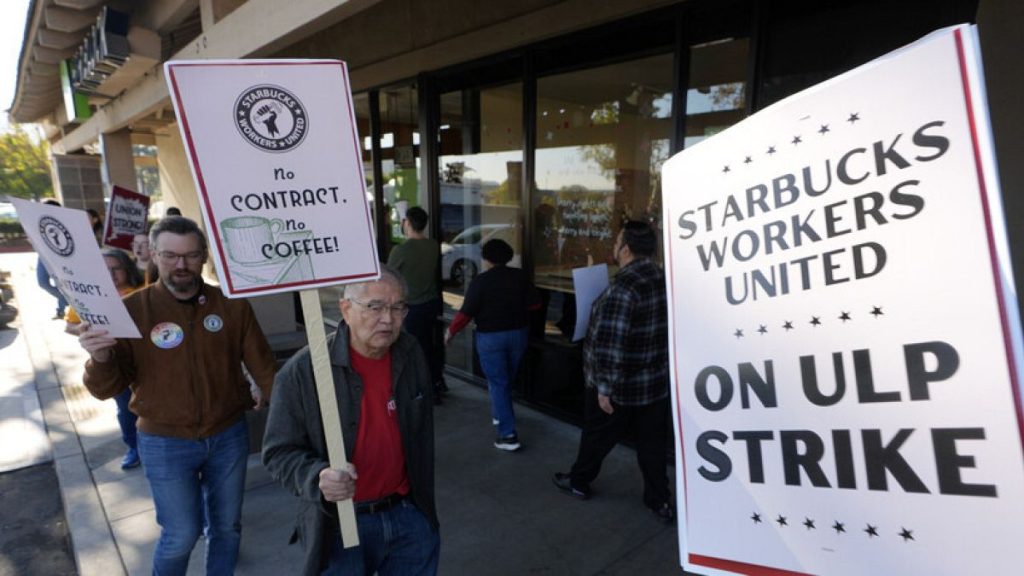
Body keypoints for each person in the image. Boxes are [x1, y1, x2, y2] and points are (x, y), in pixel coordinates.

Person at [77, 216, 277, 574]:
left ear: (204, 257)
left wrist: (296, 417)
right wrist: (100, 356)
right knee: (180, 535)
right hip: (164, 441)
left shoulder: (231, 307)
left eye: (190, 255)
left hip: (227, 433)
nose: (181, 265)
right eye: (170, 255)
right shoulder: (130, 311)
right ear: (153, 254)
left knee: (227, 528)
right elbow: (104, 388)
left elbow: (265, 369)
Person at [262, 266, 439, 576]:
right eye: (375, 307)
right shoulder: (302, 372)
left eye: (398, 307)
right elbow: (278, 453)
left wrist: (422, 512)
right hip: (340, 525)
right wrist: (318, 476)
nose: (388, 318)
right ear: (345, 309)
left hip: (408, 514)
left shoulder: (410, 354)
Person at [552, 220, 674, 524]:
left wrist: (604, 388)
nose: (614, 247)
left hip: (619, 387)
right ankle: (659, 500)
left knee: (596, 438)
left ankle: (578, 481)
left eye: (617, 242)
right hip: (655, 383)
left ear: (627, 249)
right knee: (652, 445)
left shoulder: (623, 288)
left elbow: (611, 344)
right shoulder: (664, 279)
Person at [445, 239, 540, 451]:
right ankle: (499, 414)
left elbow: (465, 313)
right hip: (518, 334)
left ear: (486, 259)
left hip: (491, 338)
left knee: (498, 382)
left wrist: (450, 331)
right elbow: (535, 304)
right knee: (505, 380)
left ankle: (508, 436)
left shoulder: (481, 281)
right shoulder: (520, 276)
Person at [65, 249, 144, 469]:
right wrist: (86, 332)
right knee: (125, 408)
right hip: (112, 366)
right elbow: (69, 325)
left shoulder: (144, 292)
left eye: (115, 268)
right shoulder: (88, 297)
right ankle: (134, 448)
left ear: (126, 269)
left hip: (147, 363)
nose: (110, 274)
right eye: (104, 270)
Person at [387, 206, 446, 403]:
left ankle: (426, 388)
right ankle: (437, 381)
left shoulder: (402, 249)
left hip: (412, 307)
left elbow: (388, 275)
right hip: (431, 303)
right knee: (429, 344)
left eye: (404, 220)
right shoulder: (432, 245)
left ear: (408, 223)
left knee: (415, 349)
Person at [36, 199, 68, 319]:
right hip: (43, 256)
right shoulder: (38, 221)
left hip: (58, 256)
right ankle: (66, 301)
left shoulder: (62, 223)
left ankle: (61, 310)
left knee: (60, 285)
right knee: (42, 283)